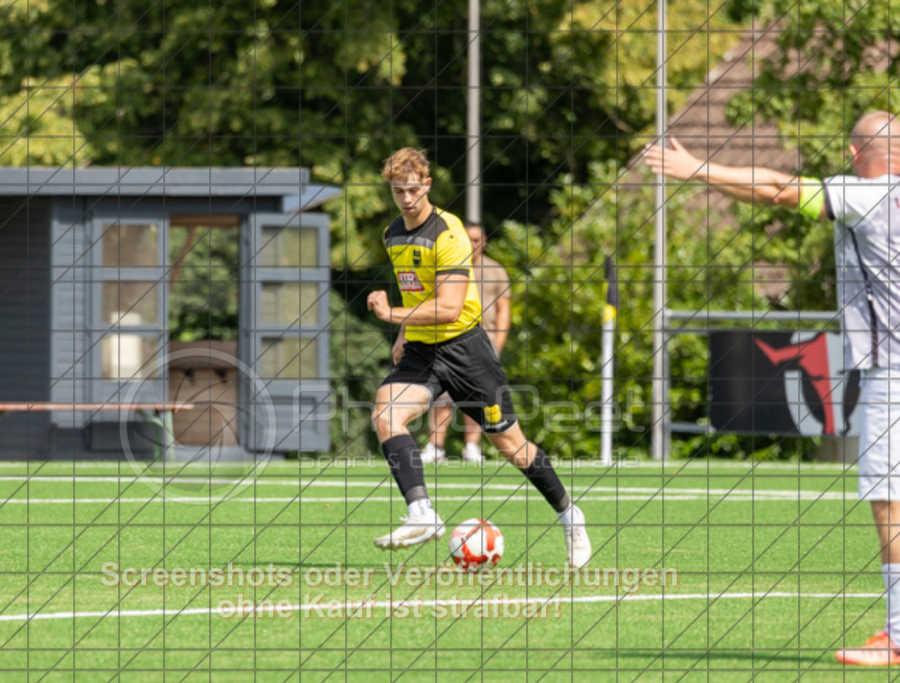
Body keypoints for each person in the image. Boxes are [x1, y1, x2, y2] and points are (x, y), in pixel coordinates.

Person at [644, 111, 900, 666]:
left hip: (893, 373)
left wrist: (696, 169)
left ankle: (899, 635)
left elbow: (778, 189)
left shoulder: (868, 195)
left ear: (854, 154)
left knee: (888, 500)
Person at [366, 147, 592, 568]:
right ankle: (422, 513)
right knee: (386, 413)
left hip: (465, 349)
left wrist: (390, 315)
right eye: (398, 191)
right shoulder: (392, 234)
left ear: (427, 185)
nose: (407, 199)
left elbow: (450, 308)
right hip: (422, 349)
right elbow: (418, 291)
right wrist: (404, 332)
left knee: (511, 446)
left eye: (413, 189)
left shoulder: (448, 233)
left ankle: (569, 515)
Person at [420, 221, 511, 465]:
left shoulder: (496, 271)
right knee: (442, 396)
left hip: (483, 343)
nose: (472, 244)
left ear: (484, 241)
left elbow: (503, 310)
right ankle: (435, 447)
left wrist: (497, 345)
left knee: (478, 398)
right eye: (467, 239)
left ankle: (471, 447)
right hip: (449, 340)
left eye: (476, 240)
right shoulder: (447, 266)